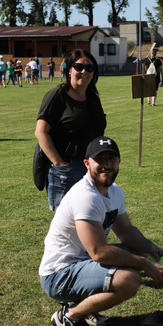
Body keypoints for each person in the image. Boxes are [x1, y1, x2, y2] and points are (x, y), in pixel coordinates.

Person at [39, 136, 163, 326]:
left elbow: (125, 230)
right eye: (99, 159)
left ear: (119, 162)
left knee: (142, 251)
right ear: (87, 163)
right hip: (58, 275)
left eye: (111, 158)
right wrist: (144, 264)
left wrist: (151, 248)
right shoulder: (86, 197)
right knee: (129, 279)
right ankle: (69, 316)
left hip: (82, 263)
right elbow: (99, 252)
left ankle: (86, 305)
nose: (106, 165)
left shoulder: (114, 191)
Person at [35, 49, 107, 211]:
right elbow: (41, 131)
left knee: (91, 217)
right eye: (78, 67)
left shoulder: (93, 98)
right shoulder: (58, 95)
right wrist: (59, 164)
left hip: (92, 168)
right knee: (68, 222)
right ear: (69, 70)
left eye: (89, 68)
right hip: (67, 169)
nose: (84, 71)